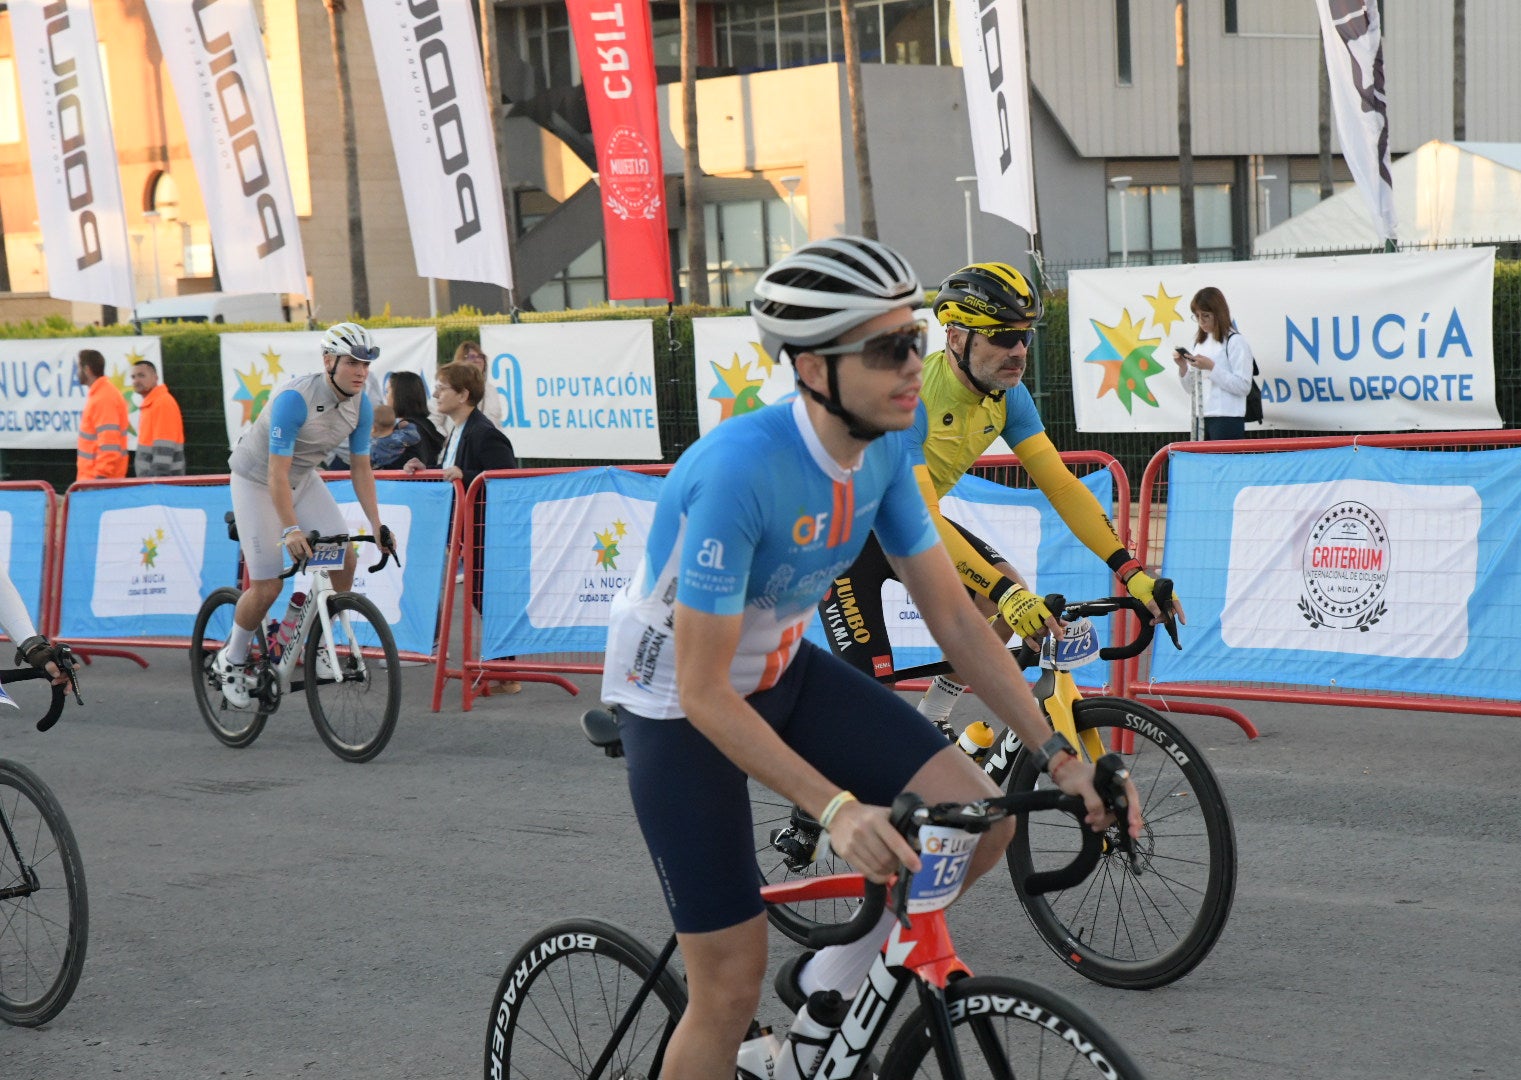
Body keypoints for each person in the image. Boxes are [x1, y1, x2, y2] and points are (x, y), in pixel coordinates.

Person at [599, 237, 1142, 1080]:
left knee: (978, 821)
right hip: (680, 705)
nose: (912, 365)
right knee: (729, 987)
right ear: (814, 367)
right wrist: (838, 810)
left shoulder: (889, 447)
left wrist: (1061, 757)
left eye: (915, 340)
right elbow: (705, 690)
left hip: (780, 670)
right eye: (889, 349)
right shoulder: (738, 473)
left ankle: (827, 990)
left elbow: (958, 624)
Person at [818, 261, 1181, 735]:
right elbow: (920, 516)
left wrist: (1130, 571)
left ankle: (935, 717)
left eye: (1025, 336)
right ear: (955, 338)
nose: (1018, 350)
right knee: (877, 713)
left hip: (904, 528)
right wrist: (1005, 593)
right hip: (845, 541)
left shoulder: (1009, 397)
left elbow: (1063, 486)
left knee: (1008, 595)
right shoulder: (912, 401)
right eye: (1001, 336)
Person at [213, 322, 396, 709]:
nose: (361, 371)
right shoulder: (295, 400)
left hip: (301, 477)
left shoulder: (361, 404)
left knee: (345, 553)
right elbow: (274, 474)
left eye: (366, 364)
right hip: (256, 480)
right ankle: (231, 658)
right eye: (352, 363)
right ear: (328, 361)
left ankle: (324, 644)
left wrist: (377, 524)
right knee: (267, 586)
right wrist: (292, 528)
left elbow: (361, 469)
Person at [405, 361, 518, 692]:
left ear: (464, 394)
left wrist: (465, 476)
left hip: (486, 532)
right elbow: (448, 471)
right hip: (468, 531)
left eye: (443, 387)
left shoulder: (484, 433)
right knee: (482, 597)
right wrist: (423, 467)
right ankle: (503, 670)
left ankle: (507, 673)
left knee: (487, 598)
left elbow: (506, 479)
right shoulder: (457, 430)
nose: (436, 393)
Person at [1173, 285, 1254, 441]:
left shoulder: (1235, 341)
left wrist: (1211, 367)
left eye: (1205, 316)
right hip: (1201, 417)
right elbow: (1192, 389)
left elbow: (1244, 386)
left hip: (1227, 417)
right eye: (1196, 316)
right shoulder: (1199, 343)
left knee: (1226, 464)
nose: (1201, 321)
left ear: (1218, 314)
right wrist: (1183, 367)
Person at [75, 349, 129, 481]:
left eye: (78, 368)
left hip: (98, 481)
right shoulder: (102, 395)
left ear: (87, 370)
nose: (76, 373)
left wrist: (100, 478)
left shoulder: (103, 398)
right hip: (96, 480)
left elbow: (109, 445)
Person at [129, 359, 186, 477]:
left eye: (141, 375)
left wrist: (156, 483)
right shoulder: (153, 403)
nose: (136, 380)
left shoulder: (162, 403)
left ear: (155, 377)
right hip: (156, 483)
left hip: (161, 485)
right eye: (133, 377)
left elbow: (164, 451)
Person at [383, 370, 443, 469]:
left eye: (388, 391)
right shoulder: (426, 424)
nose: (386, 396)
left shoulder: (406, 428)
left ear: (399, 395)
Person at [452, 340, 505, 426]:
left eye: (480, 356)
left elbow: (497, 424)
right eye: (471, 357)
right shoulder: (450, 387)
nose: (477, 360)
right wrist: (447, 438)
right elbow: (433, 420)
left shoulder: (491, 390)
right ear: (461, 361)